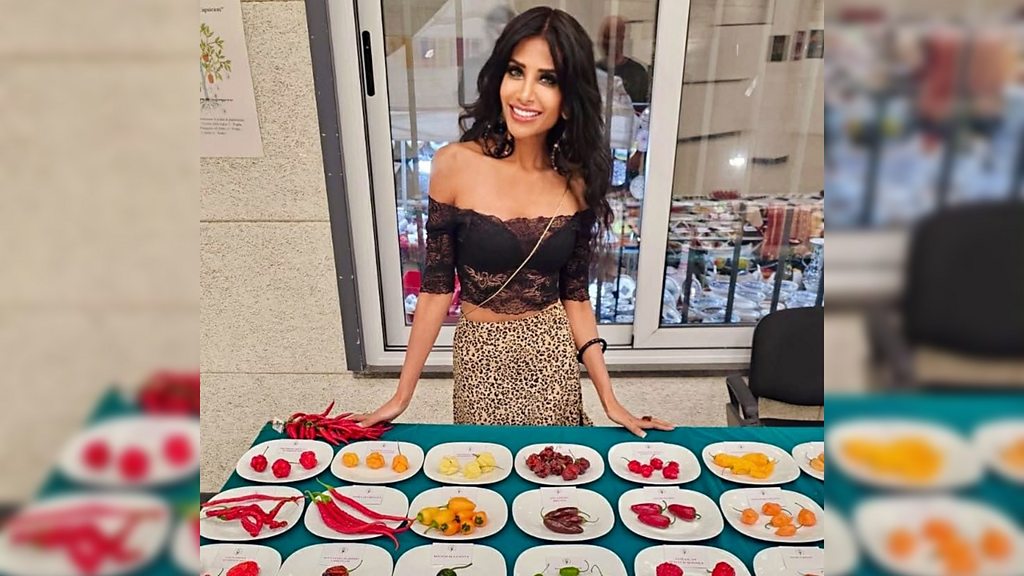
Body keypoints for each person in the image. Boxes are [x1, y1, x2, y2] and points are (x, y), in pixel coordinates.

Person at [355, 7, 673, 438]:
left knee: (556, 473)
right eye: (516, 71)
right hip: (480, 362)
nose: (525, 93)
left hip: (552, 360)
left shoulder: (576, 181)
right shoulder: (454, 165)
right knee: (482, 471)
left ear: (569, 100)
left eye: (547, 79)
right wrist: (401, 396)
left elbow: (576, 297)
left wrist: (610, 400)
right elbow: (435, 290)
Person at [597, 15, 651, 111]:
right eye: (605, 37)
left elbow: (641, 111)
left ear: (622, 39)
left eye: (611, 37)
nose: (606, 42)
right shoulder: (593, 71)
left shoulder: (638, 73)